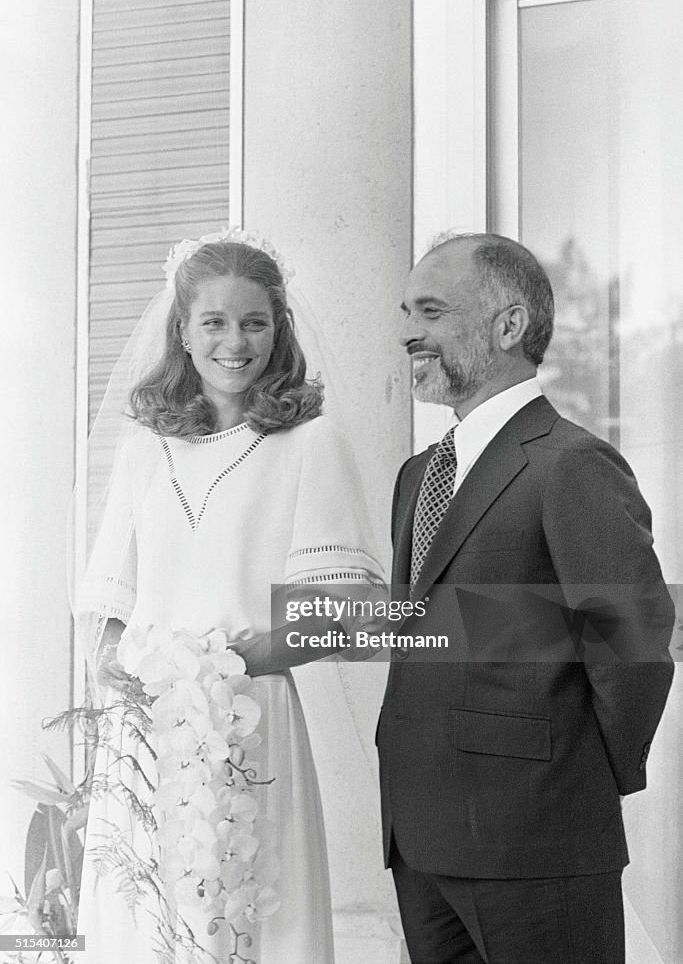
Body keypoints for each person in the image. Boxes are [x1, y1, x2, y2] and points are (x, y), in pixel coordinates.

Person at [74, 229, 384, 964]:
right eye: (214, 321)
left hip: (251, 715)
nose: (235, 342)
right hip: (147, 724)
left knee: (253, 916)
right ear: (182, 330)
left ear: (279, 330)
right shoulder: (147, 443)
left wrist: (258, 655)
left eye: (255, 322)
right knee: (145, 917)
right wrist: (114, 658)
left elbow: (354, 610)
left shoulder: (310, 444)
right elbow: (108, 590)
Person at [376, 233, 675, 964]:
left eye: (432, 310)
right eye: (407, 310)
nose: (408, 330)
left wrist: (575, 779)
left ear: (507, 326)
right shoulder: (419, 474)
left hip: (537, 836)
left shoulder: (571, 463)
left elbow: (632, 645)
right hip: (420, 838)